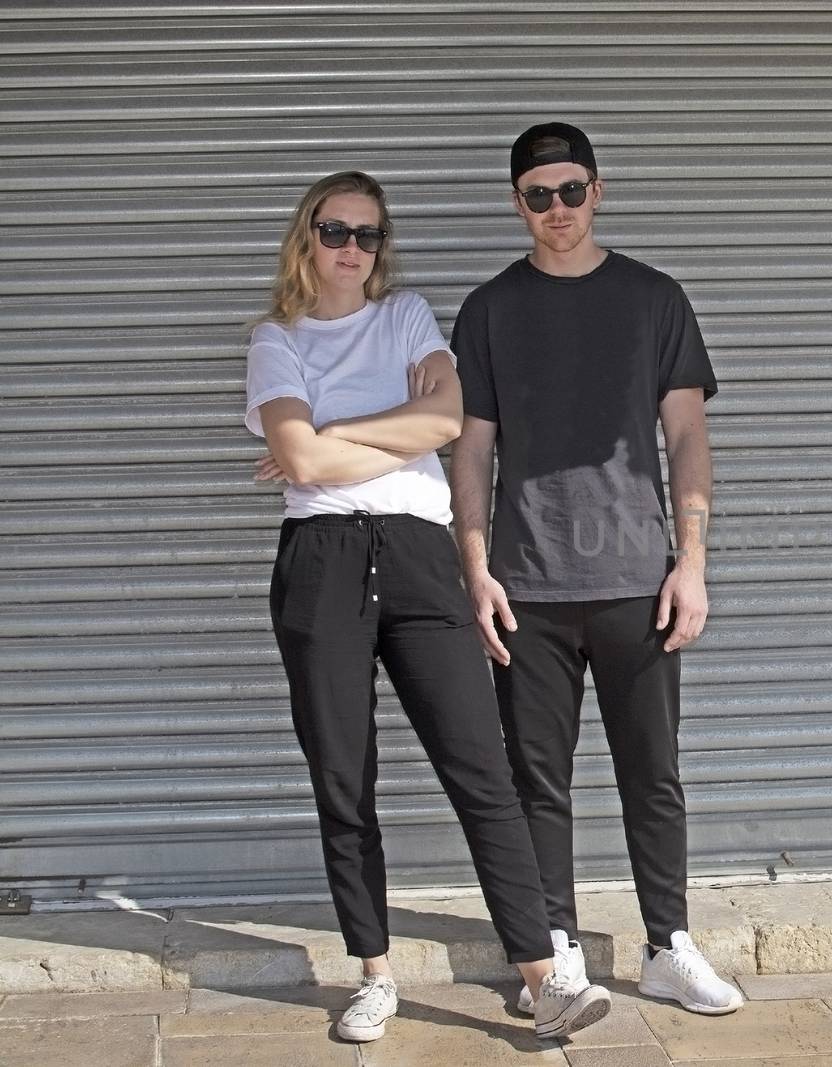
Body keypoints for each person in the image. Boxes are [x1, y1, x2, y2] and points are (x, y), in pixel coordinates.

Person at [244, 170, 610, 1044]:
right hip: (322, 564)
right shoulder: (274, 337)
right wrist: (362, 434)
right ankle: (373, 975)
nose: (352, 250)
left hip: (417, 554)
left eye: (368, 235)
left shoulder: (406, 315)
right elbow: (302, 465)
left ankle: (541, 975)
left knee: (482, 772)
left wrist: (330, 435)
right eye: (335, 231)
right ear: (308, 237)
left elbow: (446, 420)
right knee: (344, 778)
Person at [449, 123, 743, 1015]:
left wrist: (690, 562)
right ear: (517, 204)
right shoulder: (490, 308)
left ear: (599, 191)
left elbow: (687, 434)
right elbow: (470, 453)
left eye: (572, 190)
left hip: (637, 579)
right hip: (526, 585)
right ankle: (557, 950)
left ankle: (667, 944)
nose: (558, 210)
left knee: (652, 771)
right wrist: (474, 568)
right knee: (537, 779)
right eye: (539, 196)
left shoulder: (653, 297)